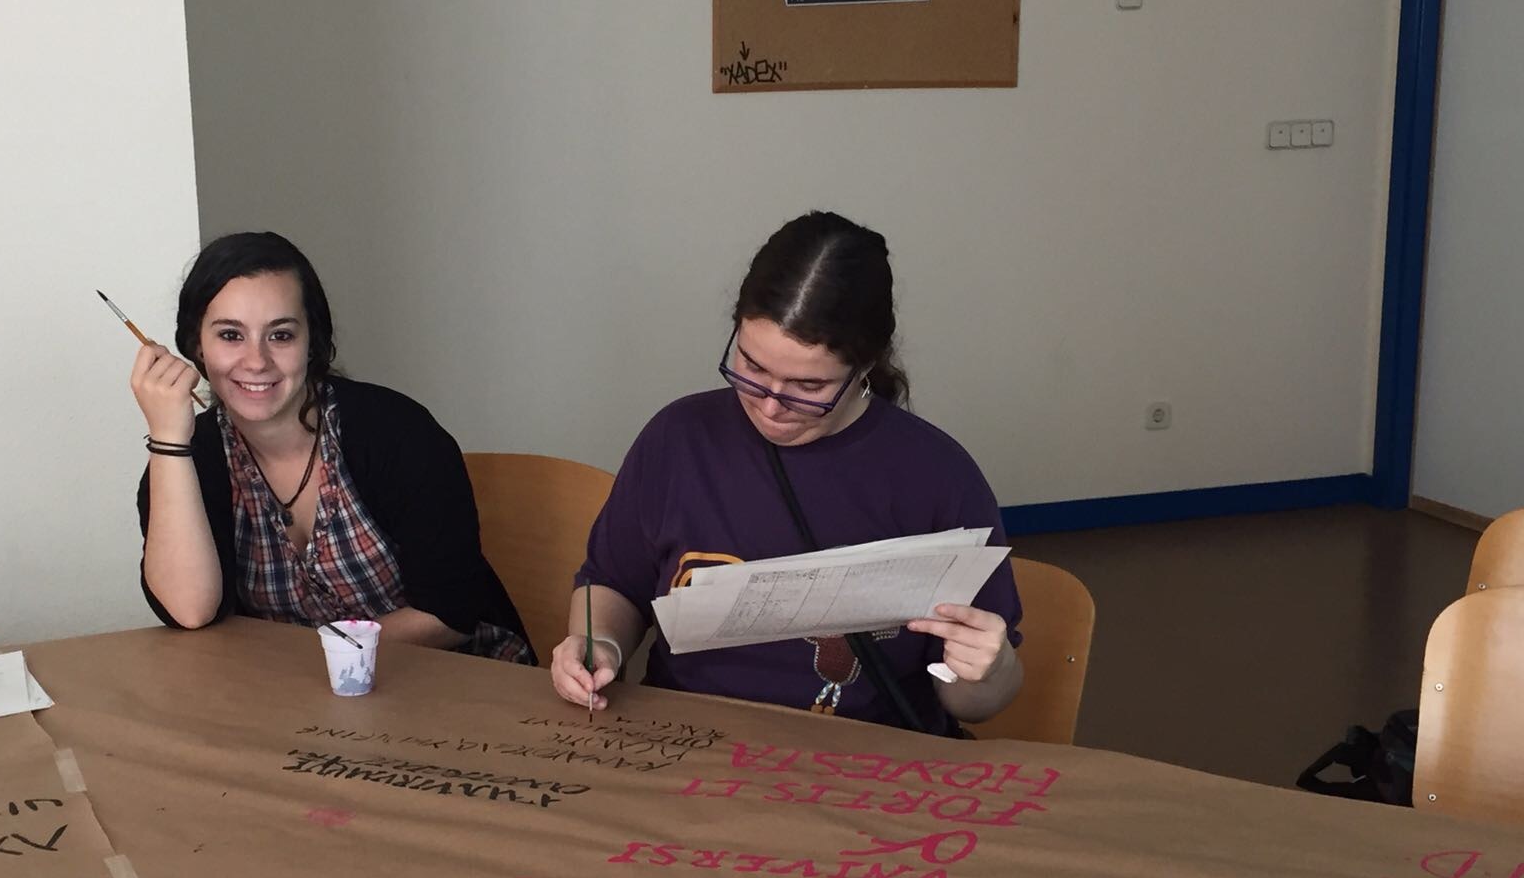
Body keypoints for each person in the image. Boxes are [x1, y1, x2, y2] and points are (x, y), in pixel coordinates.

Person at [550, 211, 1020, 736]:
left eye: (808, 387)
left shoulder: (938, 478)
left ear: (866, 366)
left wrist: (987, 671)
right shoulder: (678, 439)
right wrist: (599, 644)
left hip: (863, 754)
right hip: (687, 741)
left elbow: (974, 703)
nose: (770, 407)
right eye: (751, 368)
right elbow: (613, 581)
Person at [131, 231, 531, 661]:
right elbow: (190, 610)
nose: (256, 361)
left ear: (312, 342)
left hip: (454, 675)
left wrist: (312, 661)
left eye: (281, 335)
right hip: (293, 692)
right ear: (197, 345)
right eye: (230, 335)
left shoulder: (396, 433)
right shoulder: (195, 456)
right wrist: (169, 441)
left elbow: (452, 614)